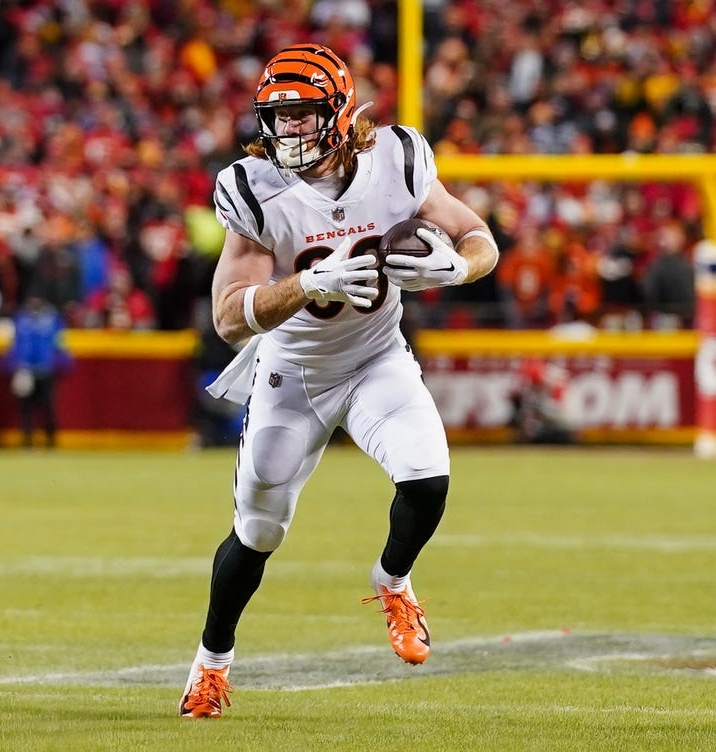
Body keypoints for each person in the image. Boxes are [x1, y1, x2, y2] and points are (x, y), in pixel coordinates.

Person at [178, 44, 499, 719]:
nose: (287, 130)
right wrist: (305, 283)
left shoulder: (398, 159)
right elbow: (229, 319)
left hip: (377, 356)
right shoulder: (251, 186)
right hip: (291, 374)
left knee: (427, 476)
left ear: (339, 112)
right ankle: (211, 662)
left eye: (301, 116)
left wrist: (456, 270)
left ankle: (393, 580)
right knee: (259, 533)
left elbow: (478, 237)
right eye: (278, 117)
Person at [0, 296, 73, 448]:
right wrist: (12, 366)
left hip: (45, 370)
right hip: (25, 370)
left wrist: (61, 364)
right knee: (26, 409)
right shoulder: (20, 320)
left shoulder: (52, 320)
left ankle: (51, 439)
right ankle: (27, 440)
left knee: (48, 407)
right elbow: (14, 344)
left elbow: (59, 344)